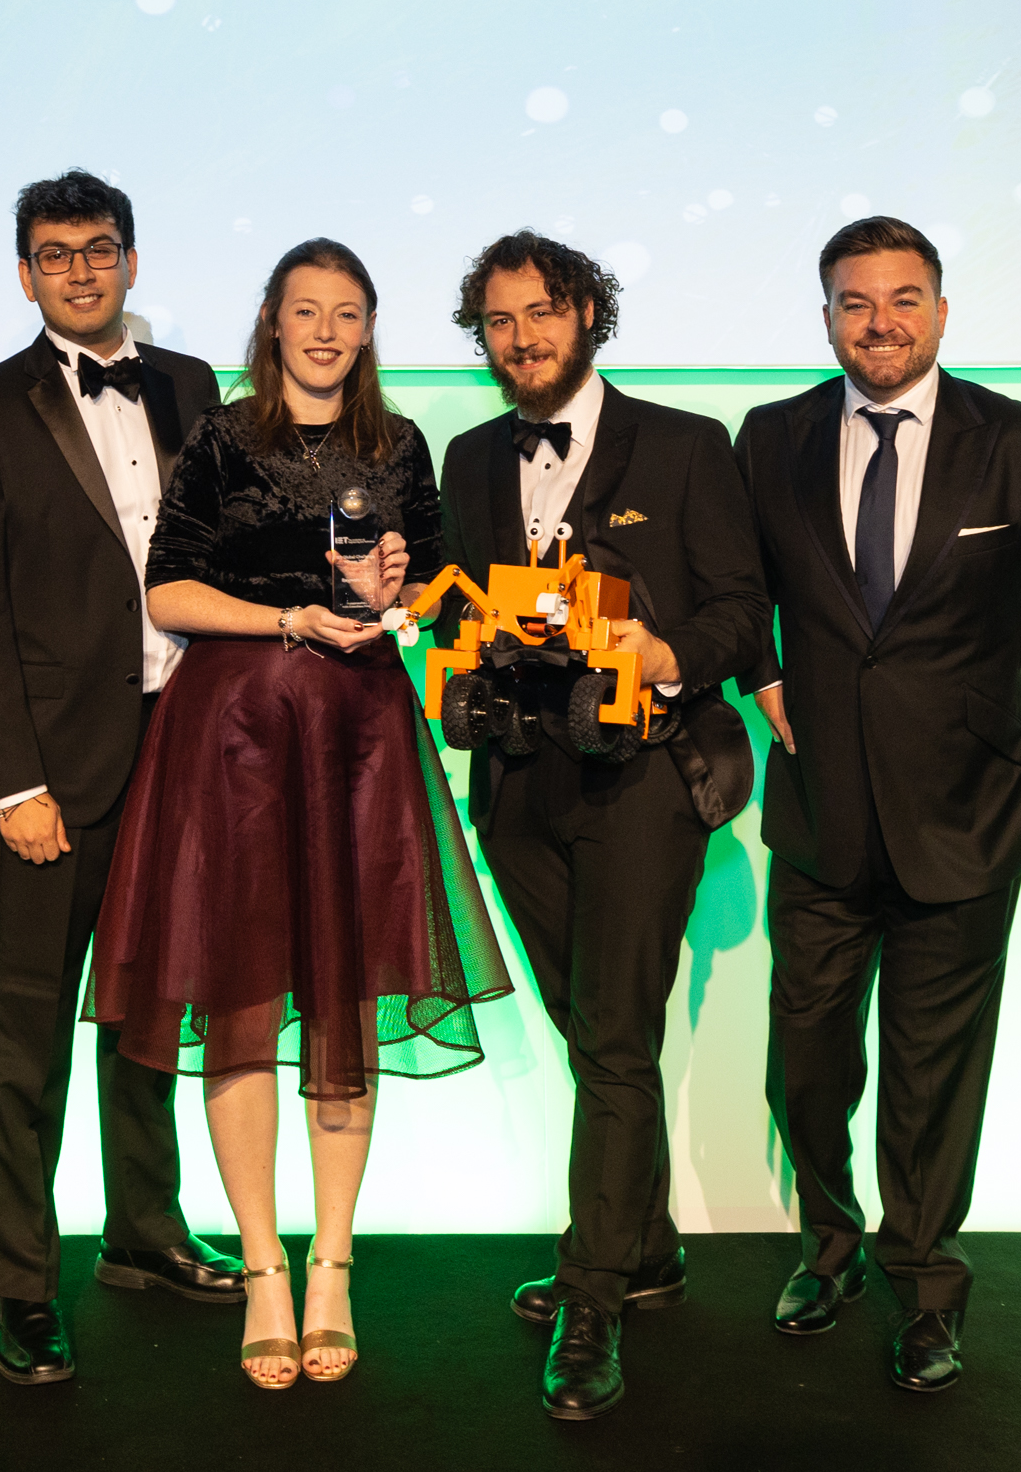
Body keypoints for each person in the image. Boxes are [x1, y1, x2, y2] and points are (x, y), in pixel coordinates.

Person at [84, 237, 512, 1390]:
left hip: (360, 741)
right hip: (232, 741)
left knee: (341, 997)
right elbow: (165, 588)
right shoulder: (225, 436)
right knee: (238, 1002)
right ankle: (264, 1269)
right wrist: (286, 623)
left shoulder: (399, 444)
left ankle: (333, 1264)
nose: (325, 330)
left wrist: (396, 595)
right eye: (304, 310)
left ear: (369, 330)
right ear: (272, 323)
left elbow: (427, 585)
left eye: (347, 313)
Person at [734, 217, 1021, 1394]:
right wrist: (763, 677)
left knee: (931, 1074)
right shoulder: (775, 435)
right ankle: (831, 1241)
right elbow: (739, 588)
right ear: (827, 319)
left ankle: (924, 1280)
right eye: (856, 301)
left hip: (969, 815)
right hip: (821, 816)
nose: (881, 321)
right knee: (806, 1060)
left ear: (942, 312)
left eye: (904, 298)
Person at [435, 233, 770, 1422]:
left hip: (640, 779)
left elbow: (742, 606)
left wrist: (669, 651)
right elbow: (451, 606)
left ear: (587, 313)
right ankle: (652, 1245)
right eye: (498, 323)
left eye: (540, 314)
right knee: (591, 1026)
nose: (521, 339)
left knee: (616, 1035)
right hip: (519, 785)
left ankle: (593, 1299)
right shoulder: (468, 458)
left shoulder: (685, 445)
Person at [0, 170, 247, 1386]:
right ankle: (20, 1282)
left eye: (99, 248)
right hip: (57, 768)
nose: (80, 269)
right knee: (24, 1033)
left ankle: (147, 1232)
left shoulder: (192, 388)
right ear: (24, 273)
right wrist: (11, 783)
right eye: (55, 253)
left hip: (191, 749)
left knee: (156, 1009)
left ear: (130, 258)